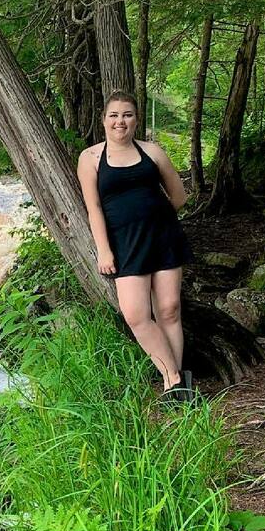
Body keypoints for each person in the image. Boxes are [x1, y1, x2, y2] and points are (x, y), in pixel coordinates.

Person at [76, 90, 195, 403]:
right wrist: (104, 250)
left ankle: (174, 389)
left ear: (136, 120)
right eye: (113, 115)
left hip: (162, 237)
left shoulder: (153, 152)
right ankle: (175, 378)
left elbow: (179, 196)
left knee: (169, 310)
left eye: (127, 115)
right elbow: (94, 209)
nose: (120, 121)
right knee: (136, 315)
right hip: (125, 244)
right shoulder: (90, 158)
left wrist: (157, 218)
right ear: (103, 120)